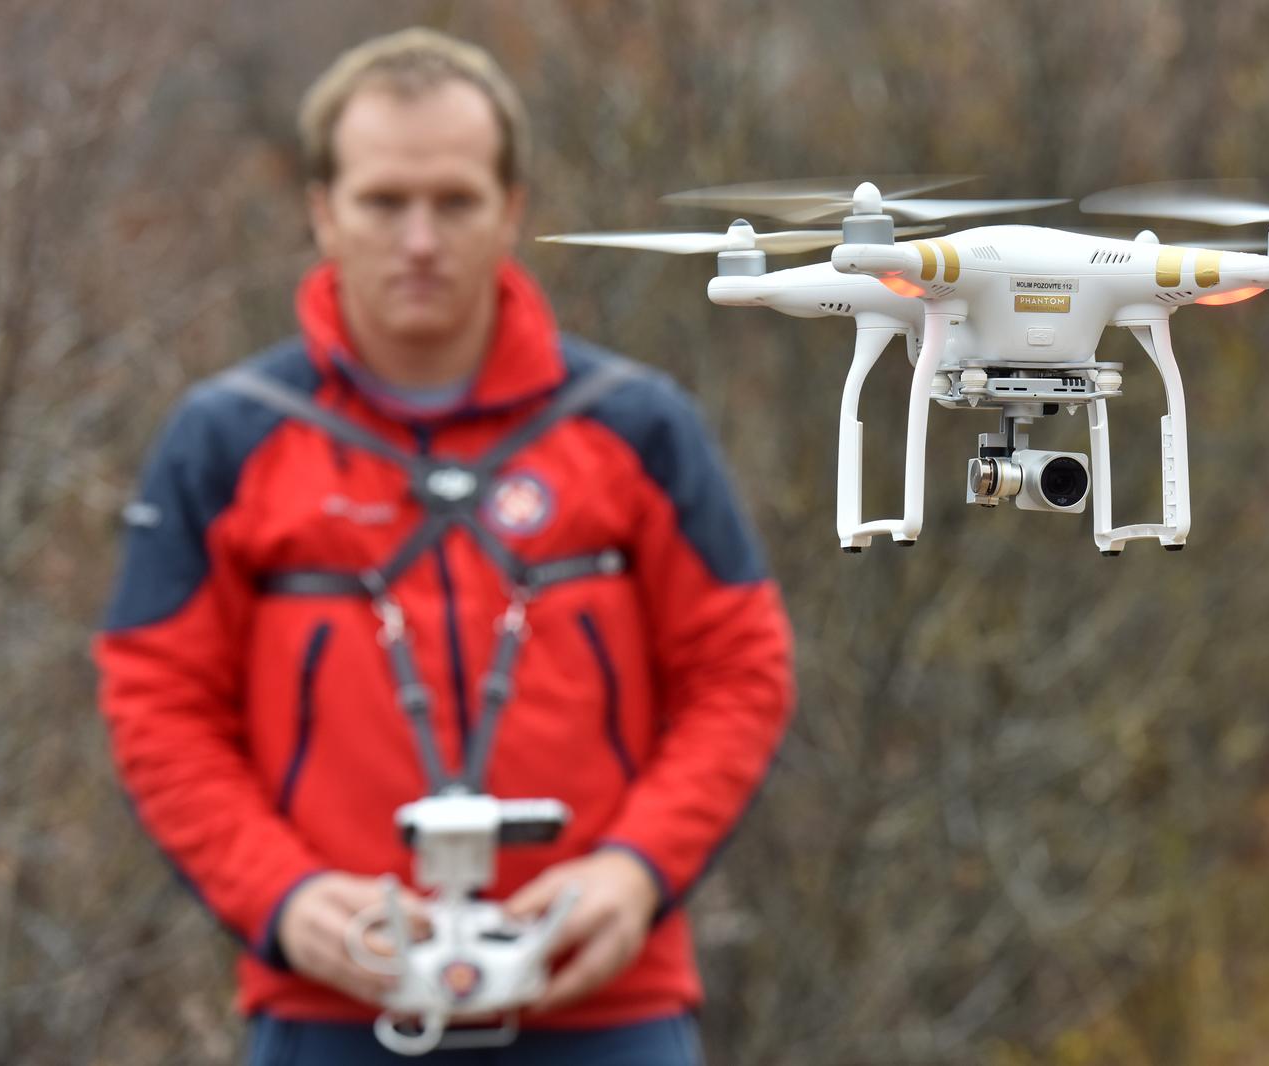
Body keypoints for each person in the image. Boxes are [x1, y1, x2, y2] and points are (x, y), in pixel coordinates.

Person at [94, 27, 794, 1065]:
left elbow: (740, 669)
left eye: (456, 201)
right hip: (331, 1006)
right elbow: (159, 703)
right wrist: (282, 897)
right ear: (322, 209)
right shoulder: (226, 438)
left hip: (605, 1003)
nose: (419, 239)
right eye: (383, 201)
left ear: (512, 208)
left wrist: (636, 871)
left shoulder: (636, 427)